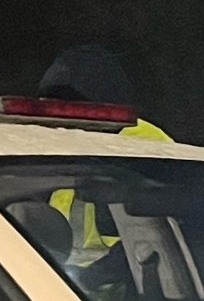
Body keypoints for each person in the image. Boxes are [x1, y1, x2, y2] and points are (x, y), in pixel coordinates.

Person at [36, 45, 170, 266]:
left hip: (144, 284)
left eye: (65, 105)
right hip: (74, 288)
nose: (57, 121)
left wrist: (106, 271)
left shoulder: (141, 142)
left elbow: (167, 228)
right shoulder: (66, 153)